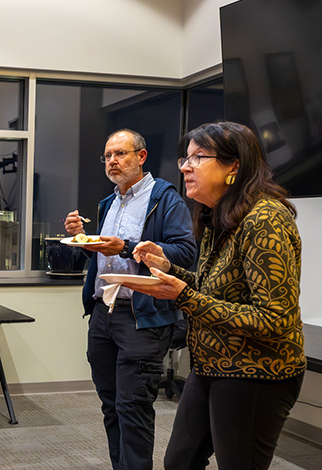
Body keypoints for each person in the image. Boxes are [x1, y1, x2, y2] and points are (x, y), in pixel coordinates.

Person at [126, 121, 306, 469]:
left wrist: (184, 296)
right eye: (185, 159)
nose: (185, 167)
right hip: (212, 364)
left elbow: (274, 319)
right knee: (179, 461)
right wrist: (167, 269)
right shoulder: (217, 215)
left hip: (257, 371)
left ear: (233, 166)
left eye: (198, 157)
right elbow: (214, 288)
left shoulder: (265, 219)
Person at [63, 129, 196, 470]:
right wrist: (79, 239)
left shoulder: (164, 198)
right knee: (111, 406)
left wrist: (123, 247)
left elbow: (185, 254)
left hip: (142, 317)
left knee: (133, 407)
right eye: (107, 156)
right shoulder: (108, 202)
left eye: (120, 154)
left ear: (141, 157)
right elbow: (97, 259)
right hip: (103, 314)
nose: (112, 161)